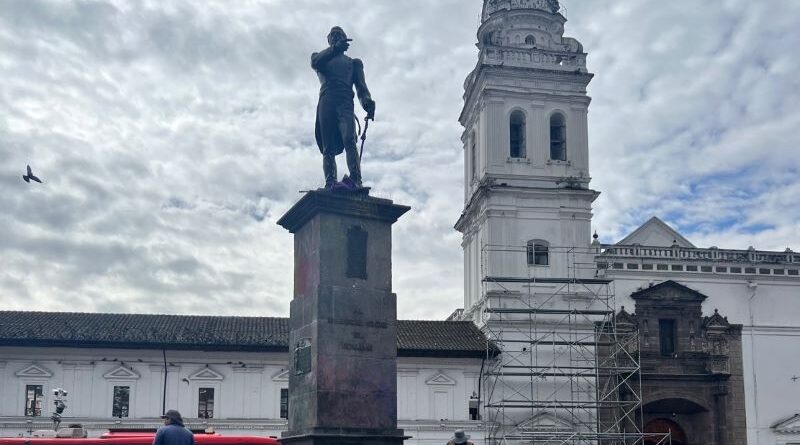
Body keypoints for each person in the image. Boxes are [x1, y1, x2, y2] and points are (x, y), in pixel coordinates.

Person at [311, 26, 376, 189]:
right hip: (327, 100)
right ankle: (330, 180)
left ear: (345, 38)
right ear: (328, 40)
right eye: (332, 35)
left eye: (339, 34)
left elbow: (361, 88)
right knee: (327, 146)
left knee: (349, 139)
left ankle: (356, 179)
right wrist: (334, 49)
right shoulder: (319, 58)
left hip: (345, 101)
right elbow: (315, 63)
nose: (336, 36)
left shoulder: (354, 63)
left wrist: (367, 102)